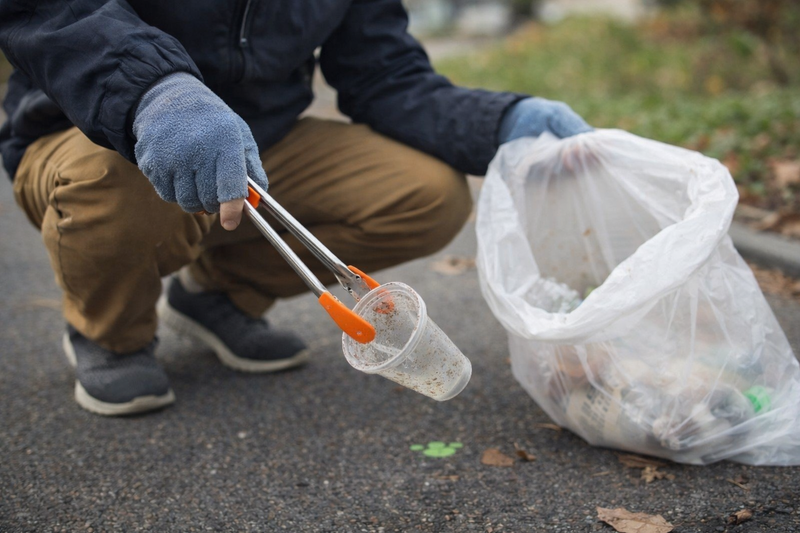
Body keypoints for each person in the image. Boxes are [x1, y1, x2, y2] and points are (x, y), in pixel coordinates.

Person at [0, 0, 591, 416]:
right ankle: (111, 333)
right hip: (90, 131)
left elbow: (383, 74)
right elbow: (56, 12)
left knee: (427, 194)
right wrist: (155, 92)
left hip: (262, 143)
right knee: (122, 181)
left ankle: (219, 296)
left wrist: (503, 120)